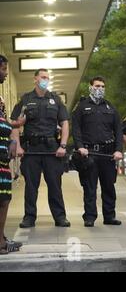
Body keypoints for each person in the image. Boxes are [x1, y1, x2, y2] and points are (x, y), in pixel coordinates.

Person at [10, 68, 70, 228]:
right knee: (31, 186)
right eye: (43, 77)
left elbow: (65, 123)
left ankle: (60, 217)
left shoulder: (55, 100)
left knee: (55, 185)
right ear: (35, 79)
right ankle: (29, 217)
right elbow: (15, 124)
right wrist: (17, 146)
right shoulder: (25, 99)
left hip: (51, 149)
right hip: (31, 150)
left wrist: (63, 145)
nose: (46, 80)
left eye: (47, 78)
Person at [71, 76, 123, 227]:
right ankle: (90, 217)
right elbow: (76, 129)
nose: (100, 89)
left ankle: (109, 216)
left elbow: (118, 131)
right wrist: (79, 146)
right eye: (97, 86)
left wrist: (118, 150)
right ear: (90, 87)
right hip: (89, 153)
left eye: (102, 86)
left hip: (108, 154)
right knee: (90, 187)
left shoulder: (110, 107)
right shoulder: (81, 107)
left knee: (109, 187)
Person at [0, 55, 23, 253]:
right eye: (4, 69)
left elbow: (3, 123)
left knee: (4, 199)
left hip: (3, 159)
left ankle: (1, 240)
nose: (6, 73)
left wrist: (13, 130)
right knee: (2, 200)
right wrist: (13, 125)